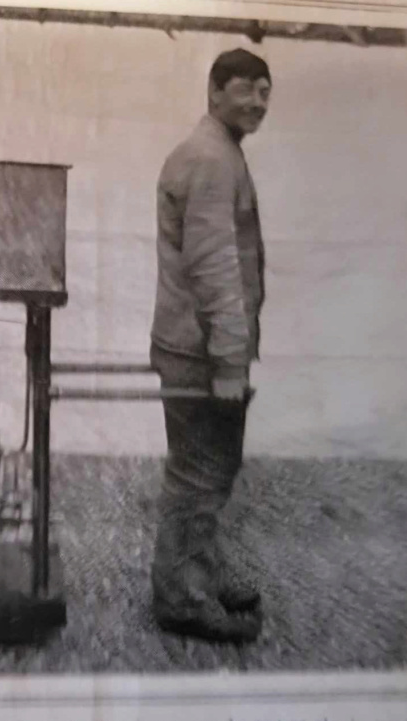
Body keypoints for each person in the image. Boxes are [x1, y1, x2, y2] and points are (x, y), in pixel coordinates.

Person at [148, 49, 271, 644]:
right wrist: (227, 361)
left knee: (208, 473)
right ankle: (183, 599)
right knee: (200, 475)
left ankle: (198, 569)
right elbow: (214, 264)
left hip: (197, 346)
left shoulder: (217, 153)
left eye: (265, 92)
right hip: (201, 353)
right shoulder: (211, 159)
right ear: (214, 92)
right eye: (246, 89)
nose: (257, 102)